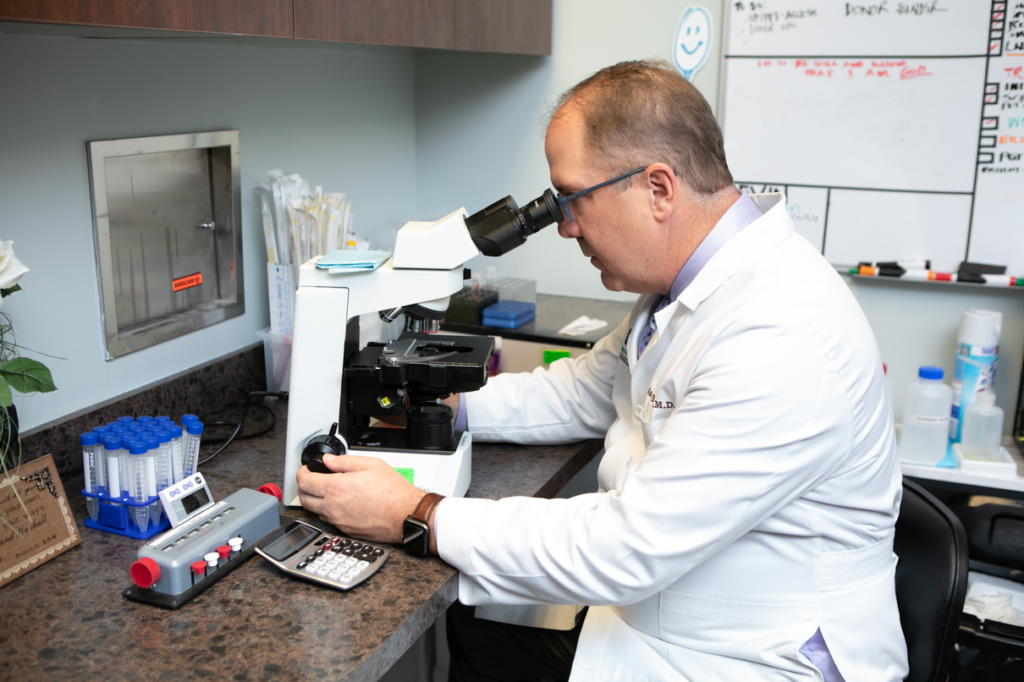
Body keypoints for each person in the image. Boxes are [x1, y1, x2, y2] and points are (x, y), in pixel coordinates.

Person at [296, 60, 908, 681]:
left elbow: (626, 546)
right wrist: (445, 407)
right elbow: (584, 390)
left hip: (748, 658)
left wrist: (416, 512)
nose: (564, 227)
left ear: (658, 189)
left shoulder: (779, 331)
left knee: (484, 625)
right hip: (669, 613)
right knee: (478, 625)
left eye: (571, 200)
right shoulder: (681, 289)